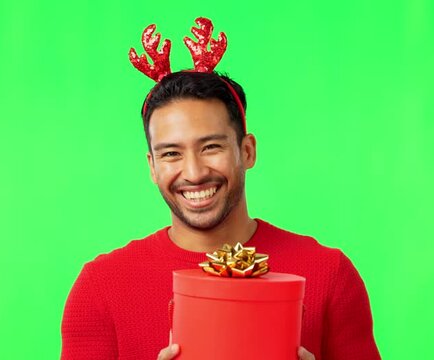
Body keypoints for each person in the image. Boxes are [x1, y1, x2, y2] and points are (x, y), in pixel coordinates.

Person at [60, 70, 381, 359]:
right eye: (171, 153)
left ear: (247, 151)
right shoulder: (100, 287)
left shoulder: (329, 273)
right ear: (152, 167)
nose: (195, 172)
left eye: (211, 147)